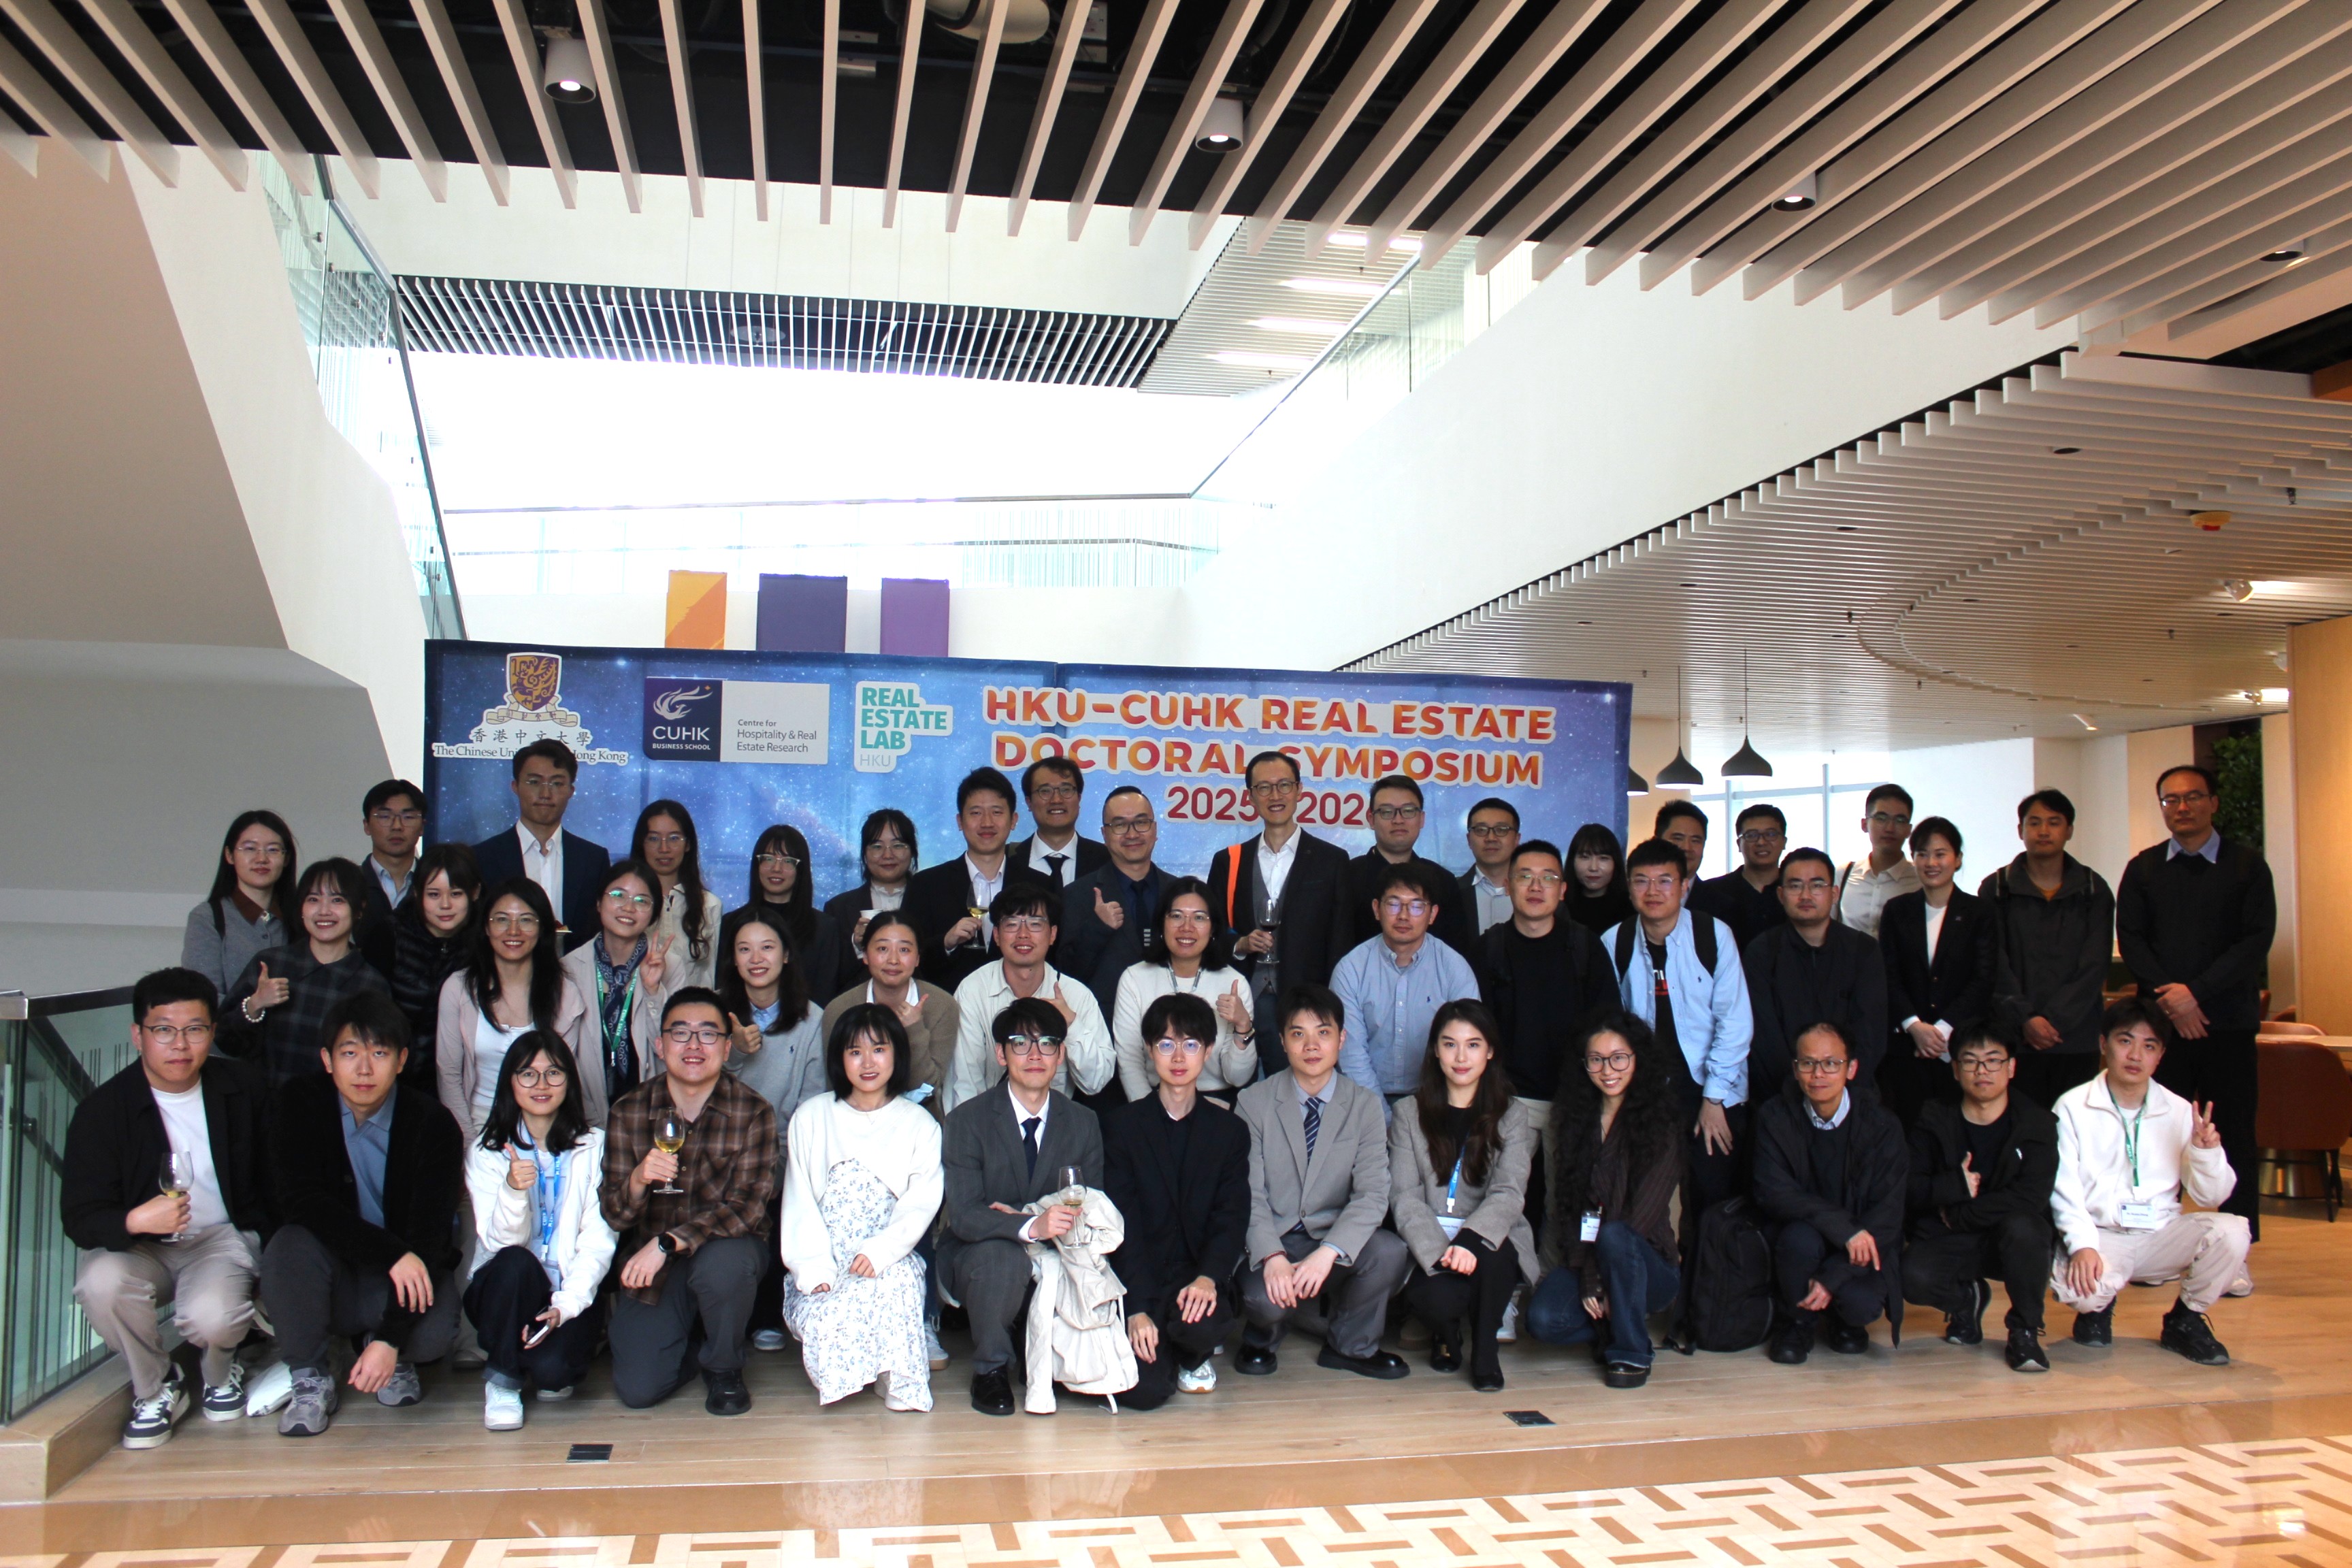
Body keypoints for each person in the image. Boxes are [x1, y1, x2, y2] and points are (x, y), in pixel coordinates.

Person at [65, 968, 271, 1450]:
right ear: (138, 1035)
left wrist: (265, 1244)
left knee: (212, 1316)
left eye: (194, 1029)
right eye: (163, 1030)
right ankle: (156, 1386)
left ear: (212, 1033)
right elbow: (79, 1215)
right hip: (143, 1247)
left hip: (219, 1239)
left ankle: (220, 1373)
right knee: (99, 1283)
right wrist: (134, 1220)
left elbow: (277, 1180)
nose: (180, 1045)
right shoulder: (103, 1110)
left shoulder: (245, 1088)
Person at [261, 990, 465, 1436]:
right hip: (332, 1266)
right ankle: (310, 1375)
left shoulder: (432, 1124)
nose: (365, 1069)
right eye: (350, 1053)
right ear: (327, 1059)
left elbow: (430, 1236)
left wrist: (392, 1339)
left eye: (380, 1053)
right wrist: (392, 1252)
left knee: (433, 1335)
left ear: (402, 1060)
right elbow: (301, 1202)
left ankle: (386, 1350)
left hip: (399, 1273)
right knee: (288, 1246)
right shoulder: (299, 1104)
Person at [2114, 763, 2275, 1243]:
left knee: (2234, 1134)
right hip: (2161, 1031)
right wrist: (2173, 999)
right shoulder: (2143, 869)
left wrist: (2196, 993)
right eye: (2171, 799)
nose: (2181, 807)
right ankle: (2153, 1241)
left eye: (2192, 797)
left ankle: (2238, 1245)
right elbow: (2133, 941)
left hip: (2227, 1025)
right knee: (2156, 1134)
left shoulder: (2247, 866)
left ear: (2213, 803)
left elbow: (2255, 941)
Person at [600, 988, 778, 1414]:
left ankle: (724, 1367)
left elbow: (748, 1210)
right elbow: (615, 1215)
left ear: (727, 1047)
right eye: (681, 1033)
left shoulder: (753, 1111)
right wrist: (638, 1180)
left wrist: (668, 1242)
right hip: (655, 1266)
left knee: (726, 1263)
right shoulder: (629, 1110)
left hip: (722, 1253)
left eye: (708, 1034)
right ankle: (693, 1342)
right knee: (639, 1390)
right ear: (660, 1045)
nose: (694, 1045)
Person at [2051, 998, 2245, 1366]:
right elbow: (2064, 1190)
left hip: (2160, 1234)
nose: (2136, 1055)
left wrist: (2206, 1152)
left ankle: (2185, 1320)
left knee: (2233, 1231)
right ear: (2104, 1044)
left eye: (2149, 1046)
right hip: (2102, 1234)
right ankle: (2097, 1309)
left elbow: (2212, 1196)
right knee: (2083, 1295)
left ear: (2160, 1056)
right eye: (2125, 1041)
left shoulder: (2179, 1109)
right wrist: (2082, 1246)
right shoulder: (2072, 1106)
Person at [938, 996, 1106, 1416]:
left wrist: (1042, 1224)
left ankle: (1048, 1354)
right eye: (1020, 1044)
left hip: (1058, 1247)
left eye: (1047, 1044)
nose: (1035, 1055)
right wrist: (1031, 1225)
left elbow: (1093, 1203)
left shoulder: (1083, 1121)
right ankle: (991, 1369)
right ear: (1001, 1054)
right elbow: (965, 1214)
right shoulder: (966, 1121)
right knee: (1003, 1258)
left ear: (1061, 1055)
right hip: (981, 1252)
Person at [1233, 985, 1409, 1380]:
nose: (1311, 1046)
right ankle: (1261, 1338)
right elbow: (1248, 1193)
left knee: (1389, 1252)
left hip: (1333, 1235)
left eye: (1323, 1033)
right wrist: (1273, 1256)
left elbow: (1372, 1194)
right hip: (1276, 1236)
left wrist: (1329, 1251)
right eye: (1298, 1034)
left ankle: (1351, 1346)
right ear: (1282, 1042)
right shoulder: (1254, 1102)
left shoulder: (1364, 1105)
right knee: (1265, 1301)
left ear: (1342, 1039)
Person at [779, 1005, 945, 1411]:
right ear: (840, 1059)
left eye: (879, 1049)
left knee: (897, 1285)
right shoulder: (812, 1117)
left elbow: (921, 1203)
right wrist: (812, 1267)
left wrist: (881, 1251)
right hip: (826, 1255)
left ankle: (895, 1377)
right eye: (855, 1052)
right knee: (827, 1316)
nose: (868, 1063)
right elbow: (799, 1201)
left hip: (889, 1254)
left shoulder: (919, 1124)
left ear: (897, 1054)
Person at [1102, 993, 1252, 1408]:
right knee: (1144, 1394)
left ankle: (1192, 1354)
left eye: (1191, 1044)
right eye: (1166, 1044)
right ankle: (1165, 1350)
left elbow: (1231, 1216)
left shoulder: (1229, 1131)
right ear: (1150, 1051)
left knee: (1202, 1324)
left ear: (1208, 1050)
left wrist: (1209, 1277)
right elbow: (1122, 1222)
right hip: (1140, 1277)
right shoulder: (1122, 1127)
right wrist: (1136, 1308)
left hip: (1195, 1277)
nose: (1179, 1056)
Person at [462, 1030, 616, 1429]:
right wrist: (514, 1191)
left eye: (554, 1073)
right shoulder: (488, 1151)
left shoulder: (595, 1146)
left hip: (565, 1289)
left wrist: (566, 1306)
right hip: (504, 1289)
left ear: (569, 1081)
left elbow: (598, 1241)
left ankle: (531, 1357)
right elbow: (500, 1244)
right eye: (528, 1074)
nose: (542, 1084)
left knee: (554, 1375)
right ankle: (503, 1379)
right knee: (515, 1262)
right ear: (510, 1082)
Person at [1473, 839, 1616, 1265]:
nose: (1536, 887)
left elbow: (1609, 1027)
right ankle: (1506, 1284)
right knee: (1498, 1198)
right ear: (1508, 885)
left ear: (1563, 889)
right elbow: (1473, 1031)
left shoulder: (1586, 947)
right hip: (1507, 1099)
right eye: (1525, 877)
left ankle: (1554, 1284)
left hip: (1571, 1098)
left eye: (1548, 878)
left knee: (1566, 1203)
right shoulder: (1488, 948)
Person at [1526, 1013, 1685, 1389]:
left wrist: (1598, 1280)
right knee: (1544, 1320)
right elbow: (1569, 1210)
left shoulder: (1662, 1121)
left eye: (1619, 1058)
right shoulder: (1574, 1120)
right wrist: (1588, 1278)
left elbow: (1638, 1221)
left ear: (1638, 1059)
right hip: (1588, 1258)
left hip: (1648, 1265)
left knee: (1616, 1234)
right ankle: (1614, 1327)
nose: (1608, 1070)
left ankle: (1632, 1354)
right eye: (1596, 1060)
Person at [1388, 1001, 1535, 1392]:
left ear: (1490, 1051)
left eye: (1473, 1045)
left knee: (1496, 1257)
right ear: (1435, 1051)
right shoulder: (1408, 1114)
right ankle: (1446, 1335)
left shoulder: (1512, 1114)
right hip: (1429, 1235)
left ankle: (1486, 1351)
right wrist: (1442, 1251)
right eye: (1450, 1044)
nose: (1461, 1057)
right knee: (1435, 1297)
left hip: (1487, 1234)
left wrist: (1469, 1240)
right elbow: (1405, 1196)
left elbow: (1508, 1190)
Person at [1605, 838, 1750, 1226]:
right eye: (1642, 881)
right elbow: (1611, 1029)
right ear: (1629, 887)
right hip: (1647, 1091)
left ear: (1685, 886)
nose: (1653, 891)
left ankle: (1702, 1267)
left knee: (1710, 1200)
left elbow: (1735, 1022)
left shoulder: (1713, 934)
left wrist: (1715, 1098)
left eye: (1665, 881)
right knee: (1640, 1201)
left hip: (1711, 1089)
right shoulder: (1615, 941)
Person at [1901, 1023, 2057, 1375]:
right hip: (1948, 1235)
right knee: (1912, 1278)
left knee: (2028, 1229)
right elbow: (1909, 1185)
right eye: (1970, 1061)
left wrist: (1962, 1214)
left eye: (1993, 1061)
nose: (1982, 1071)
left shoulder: (2037, 1123)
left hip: (2004, 1237)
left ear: (2011, 1067)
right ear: (1956, 1070)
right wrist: (1953, 1185)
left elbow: (2031, 1196)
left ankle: (2025, 1330)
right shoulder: (1934, 1117)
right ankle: (1965, 1299)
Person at [1751, 1023, 1906, 1365]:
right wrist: (1841, 1227)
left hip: (1862, 1244)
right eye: (1808, 1063)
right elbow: (1773, 1191)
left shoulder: (1882, 1126)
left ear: (1851, 1069)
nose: (1818, 1074)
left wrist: (1833, 1276)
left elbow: (1888, 1214)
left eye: (1831, 1063)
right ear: (1795, 1069)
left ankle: (1843, 1321)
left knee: (1861, 1305)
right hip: (1806, 1236)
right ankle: (1797, 1323)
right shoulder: (1775, 1116)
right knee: (1798, 1239)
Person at [1207, 749, 1357, 1076]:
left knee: (1294, 1089)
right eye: (1264, 788)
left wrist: (1328, 1007)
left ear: (1299, 790)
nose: (1275, 796)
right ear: (1250, 797)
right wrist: (1240, 944)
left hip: (1304, 1006)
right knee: (1236, 1084)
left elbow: (1340, 940)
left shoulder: (1332, 861)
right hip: (1240, 999)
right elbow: (1210, 935)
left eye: (1284, 785)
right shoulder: (1228, 861)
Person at [1980, 789, 2114, 1111]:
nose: (2044, 831)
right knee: (2019, 1127)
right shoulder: (1997, 888)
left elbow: (2094, 965)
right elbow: (1993, 963)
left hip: (2076, 1038)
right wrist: (2026, 1019)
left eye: (2054, 823)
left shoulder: (2093, 889)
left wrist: (2053, 1021)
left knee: (2075, 1126)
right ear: (2020, 830)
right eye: (2035, 823)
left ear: (2069, 830)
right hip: (2015, 1038)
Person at [442, 877, 601, 1134]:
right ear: (486, 927)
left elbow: (566, 1075)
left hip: (546, 1128)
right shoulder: (459, 988)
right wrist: (469, 1145)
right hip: (478, 1125)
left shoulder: (565, 993)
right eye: (502, 919)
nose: (513, 931)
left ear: (542, 928)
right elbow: (448, 1074)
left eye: (526, 920)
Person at [221, 859, 393, 1085]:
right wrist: (255, 1005)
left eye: (337, 900)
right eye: (313, 899)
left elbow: (379, 1063)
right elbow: (224, 1040)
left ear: (359, 910)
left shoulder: (371, 985)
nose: (324, 911)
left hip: (334, 1105)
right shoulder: (272, 964)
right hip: (267, 1102)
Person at [944, 886, 1115, 1111]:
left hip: (1053, 1123)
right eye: (1012, 924)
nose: (1023, 934)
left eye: (1035, 924)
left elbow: (1096, 1082)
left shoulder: (1077, 995)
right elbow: (964, 1081)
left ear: (1052, 934)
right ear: (996, 935)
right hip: (987, 1121)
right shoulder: (973, 990)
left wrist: (1072, 1024)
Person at [1335, 866, 1482, 1110]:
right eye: (1394, 904)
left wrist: (1430, 1114)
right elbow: (1351, 1056)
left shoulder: (1454, 968)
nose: (1404, 916)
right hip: (1363, 1100)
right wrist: (1380, 1118)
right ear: (1376, 909)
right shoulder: (1351, 969)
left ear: (1432, 914)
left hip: (1436, 1101)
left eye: (1416, 906)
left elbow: (1467, 1049)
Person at [1744, 848, 1889, 1093]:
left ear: (1834, 894)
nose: (1806, 895)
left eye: (1817, 885)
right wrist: (1798, 1091)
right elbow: (1763, 1037)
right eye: (1795, 886)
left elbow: (1871, 1036)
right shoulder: (1762, 952)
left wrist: (1838, 1092)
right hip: (1781, 1095)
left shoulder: (1863, 950)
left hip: (1852, 1095)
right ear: (1781, 895)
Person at [1880, 819, 1995, 1126]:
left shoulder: (1980, 913)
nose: (1931, 863)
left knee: (1956, 1128)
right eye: (1922, 854)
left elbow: (1983, 979)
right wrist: (1915, 1026)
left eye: (1940, 854)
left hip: (1960, 1046)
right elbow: (1888, 974)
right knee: (1907, 1126)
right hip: (1906, 1047)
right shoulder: (1897, 910)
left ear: (1958, 859)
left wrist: (1941, 1031)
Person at [1112, 877, 1256, 1102]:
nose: (1186, 928)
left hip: (1218, 1104)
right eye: (1176, 916)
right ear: (1162, 923)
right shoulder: (1135, 979)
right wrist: (1148, 1113)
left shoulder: (1234, 984)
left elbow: (1238, 1078)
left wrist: (1243, 1026)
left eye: (1199, 918)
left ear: (1213, 928)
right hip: (1153, 1101)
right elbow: (1130, 1061)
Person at [906, 768, 1041, 991]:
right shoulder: (926, 885)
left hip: (1022, 1005)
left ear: (1014, 820)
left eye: (997, 812)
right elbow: (908, 956)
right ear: (960, 821)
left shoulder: (1039, 885)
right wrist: (946, 943)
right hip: (948, 1005)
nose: (987, 823)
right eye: (976, 813)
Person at [1058, 786, 1177, 1034]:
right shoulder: (1077, 895)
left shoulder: (1181, 894)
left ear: (1155, 829)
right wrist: (1097, 928)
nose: (1132, 834)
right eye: (1120, 825)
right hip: (1102, 1033)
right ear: (1105, 834)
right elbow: (1065, 975)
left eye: (1141, 823)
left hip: (1174, 1033)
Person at [471, 739, 611, 947]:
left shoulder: (593, 860)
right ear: (515, 786)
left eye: (557, 784)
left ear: (571, 790)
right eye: (534, 782)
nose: (545, 794)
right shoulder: (482, 857)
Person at [559, 861, 672, 1115]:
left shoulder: (670, 966)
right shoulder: (569, 968)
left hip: (651, 1108)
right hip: (586, 1112)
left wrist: (653, 991)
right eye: (618, 896)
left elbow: (671, 1048)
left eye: (642, 901)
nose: (629, 908)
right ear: (599, 903)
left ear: (654, 914)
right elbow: (563, 1054)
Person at [819, 911, 958, 1117]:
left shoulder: (942, 1005)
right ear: (865, 955)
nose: (893, 960)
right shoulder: (839, 1009)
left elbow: (926, 1088)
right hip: (851, 1118)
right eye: (882, 949)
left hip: (920, 1118)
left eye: (904, 950)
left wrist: (914, 1030)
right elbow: (836, 1084)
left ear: (918, 958)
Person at [715, 904, 829, 1126]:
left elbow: (812, 1104)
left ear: (786, 954)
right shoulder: (712, 1009)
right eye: (745, 949)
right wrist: (735, 1051)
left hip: (785, 1143)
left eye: (767, 947)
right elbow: (697, 1088)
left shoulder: (813, 1019)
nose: (756, 959)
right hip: (722, 1138)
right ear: (734, 958)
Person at [386, 843, 480, 1092]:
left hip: (463, 1082)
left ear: (475, 893)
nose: (445, 905)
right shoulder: (391, 935)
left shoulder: (485, 943)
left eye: (456, 894)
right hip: (393, 1078)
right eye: (434, 894)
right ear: (417, 894)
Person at [1341, 776, 1471, 948]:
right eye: (1387, 812)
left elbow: (1456, 951)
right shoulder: (1346, 878)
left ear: (1422, 819)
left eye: (1408, 811)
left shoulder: (1444, 882)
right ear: (1371, 819)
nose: (1398, 820)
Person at [723, 823, 840, 1010]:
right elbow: (725, 987)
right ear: (757, 864)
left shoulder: (824, 927)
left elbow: (825, 996)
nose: (776, 868)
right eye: (768, 859)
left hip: (807, 1024)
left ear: (801, 869)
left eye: (788, 861)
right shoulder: (732, 923)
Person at [182, 810, 298, 998]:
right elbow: (204, 998)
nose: (262, 859)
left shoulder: (303, 916)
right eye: (250, 848)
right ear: (229, 855)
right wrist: (250, 1008)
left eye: (273, 850)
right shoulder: (207, 918)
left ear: (286, 859)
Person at [820, 808, 917, 987]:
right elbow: (829, 976)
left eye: (898, 845)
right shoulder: (838, 908)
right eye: (877, 847)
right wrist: (857, 945)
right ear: (864, 854)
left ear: (912, 851)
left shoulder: (930, 900)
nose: (888, 855)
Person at [634, 799, 723, 992]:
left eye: (674, 838)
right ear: (642, 843)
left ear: (688, 844)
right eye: (654, 839)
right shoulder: (630, 904)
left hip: (692, 1008)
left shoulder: (710, 905)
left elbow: (710, 978)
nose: (664, 849)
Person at [1693, 804, 1787, 951]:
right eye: (1751, 835)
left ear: (1784, 842)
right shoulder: (1712, 892)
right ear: (1739, 844)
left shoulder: (1796, 892)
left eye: (1771, 834)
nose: (1761, 842)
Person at [1007, 755, 1108, 889]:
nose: (1056, 800)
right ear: (1029, 802)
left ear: (1079, 798)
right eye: (1045, 791)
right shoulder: (1006, 859)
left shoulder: (1106, 860)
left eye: (1065, 790)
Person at [1835, 785, 1921, 938]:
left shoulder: (1919, 880)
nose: (1890, 828)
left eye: (1900, 820)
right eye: (1881, 818)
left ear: (1909, 830)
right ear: (1864, 824)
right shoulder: (1843, 875)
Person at [355, 779, 428, 945]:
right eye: (385, 816)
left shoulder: (435, 886)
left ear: (422, 827)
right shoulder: (348, 884)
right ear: (367, 825)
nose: (397, 826)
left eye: (408, 817)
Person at [1458, 798, 1520, 936]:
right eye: (1481, 830)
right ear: (1469, 840)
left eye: (1501, 830)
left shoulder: (1537, 892)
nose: (1491, 838)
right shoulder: (1451, 893)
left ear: (1517, 839)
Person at [1562, 823, 1633, 936]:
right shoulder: (1559, 907)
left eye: (1603, 858)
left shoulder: (1632, 908)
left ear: (1616, 862)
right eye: (1585, 857)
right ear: (1572, 861)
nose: (1593, 868)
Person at [1652, 800, 1710, 881]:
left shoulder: (1716, 890)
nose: (1687, 848)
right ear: (1657, 842)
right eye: (1678, 839)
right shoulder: (1637, 889)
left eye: (1695, 841)